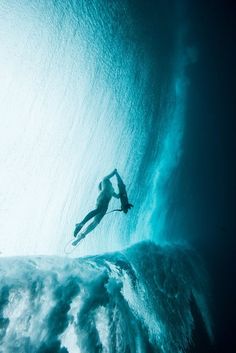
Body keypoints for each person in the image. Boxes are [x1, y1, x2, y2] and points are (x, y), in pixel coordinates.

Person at [72, 169, 120, 246]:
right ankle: (81, 223)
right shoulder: (105, 180)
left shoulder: (111, 190)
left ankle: (80, 238)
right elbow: (114, 172)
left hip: (105, 207)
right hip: (102, 200)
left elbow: (118, 196)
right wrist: (116, 173)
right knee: (98, 210)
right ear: (103, 185)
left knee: (95, 223)